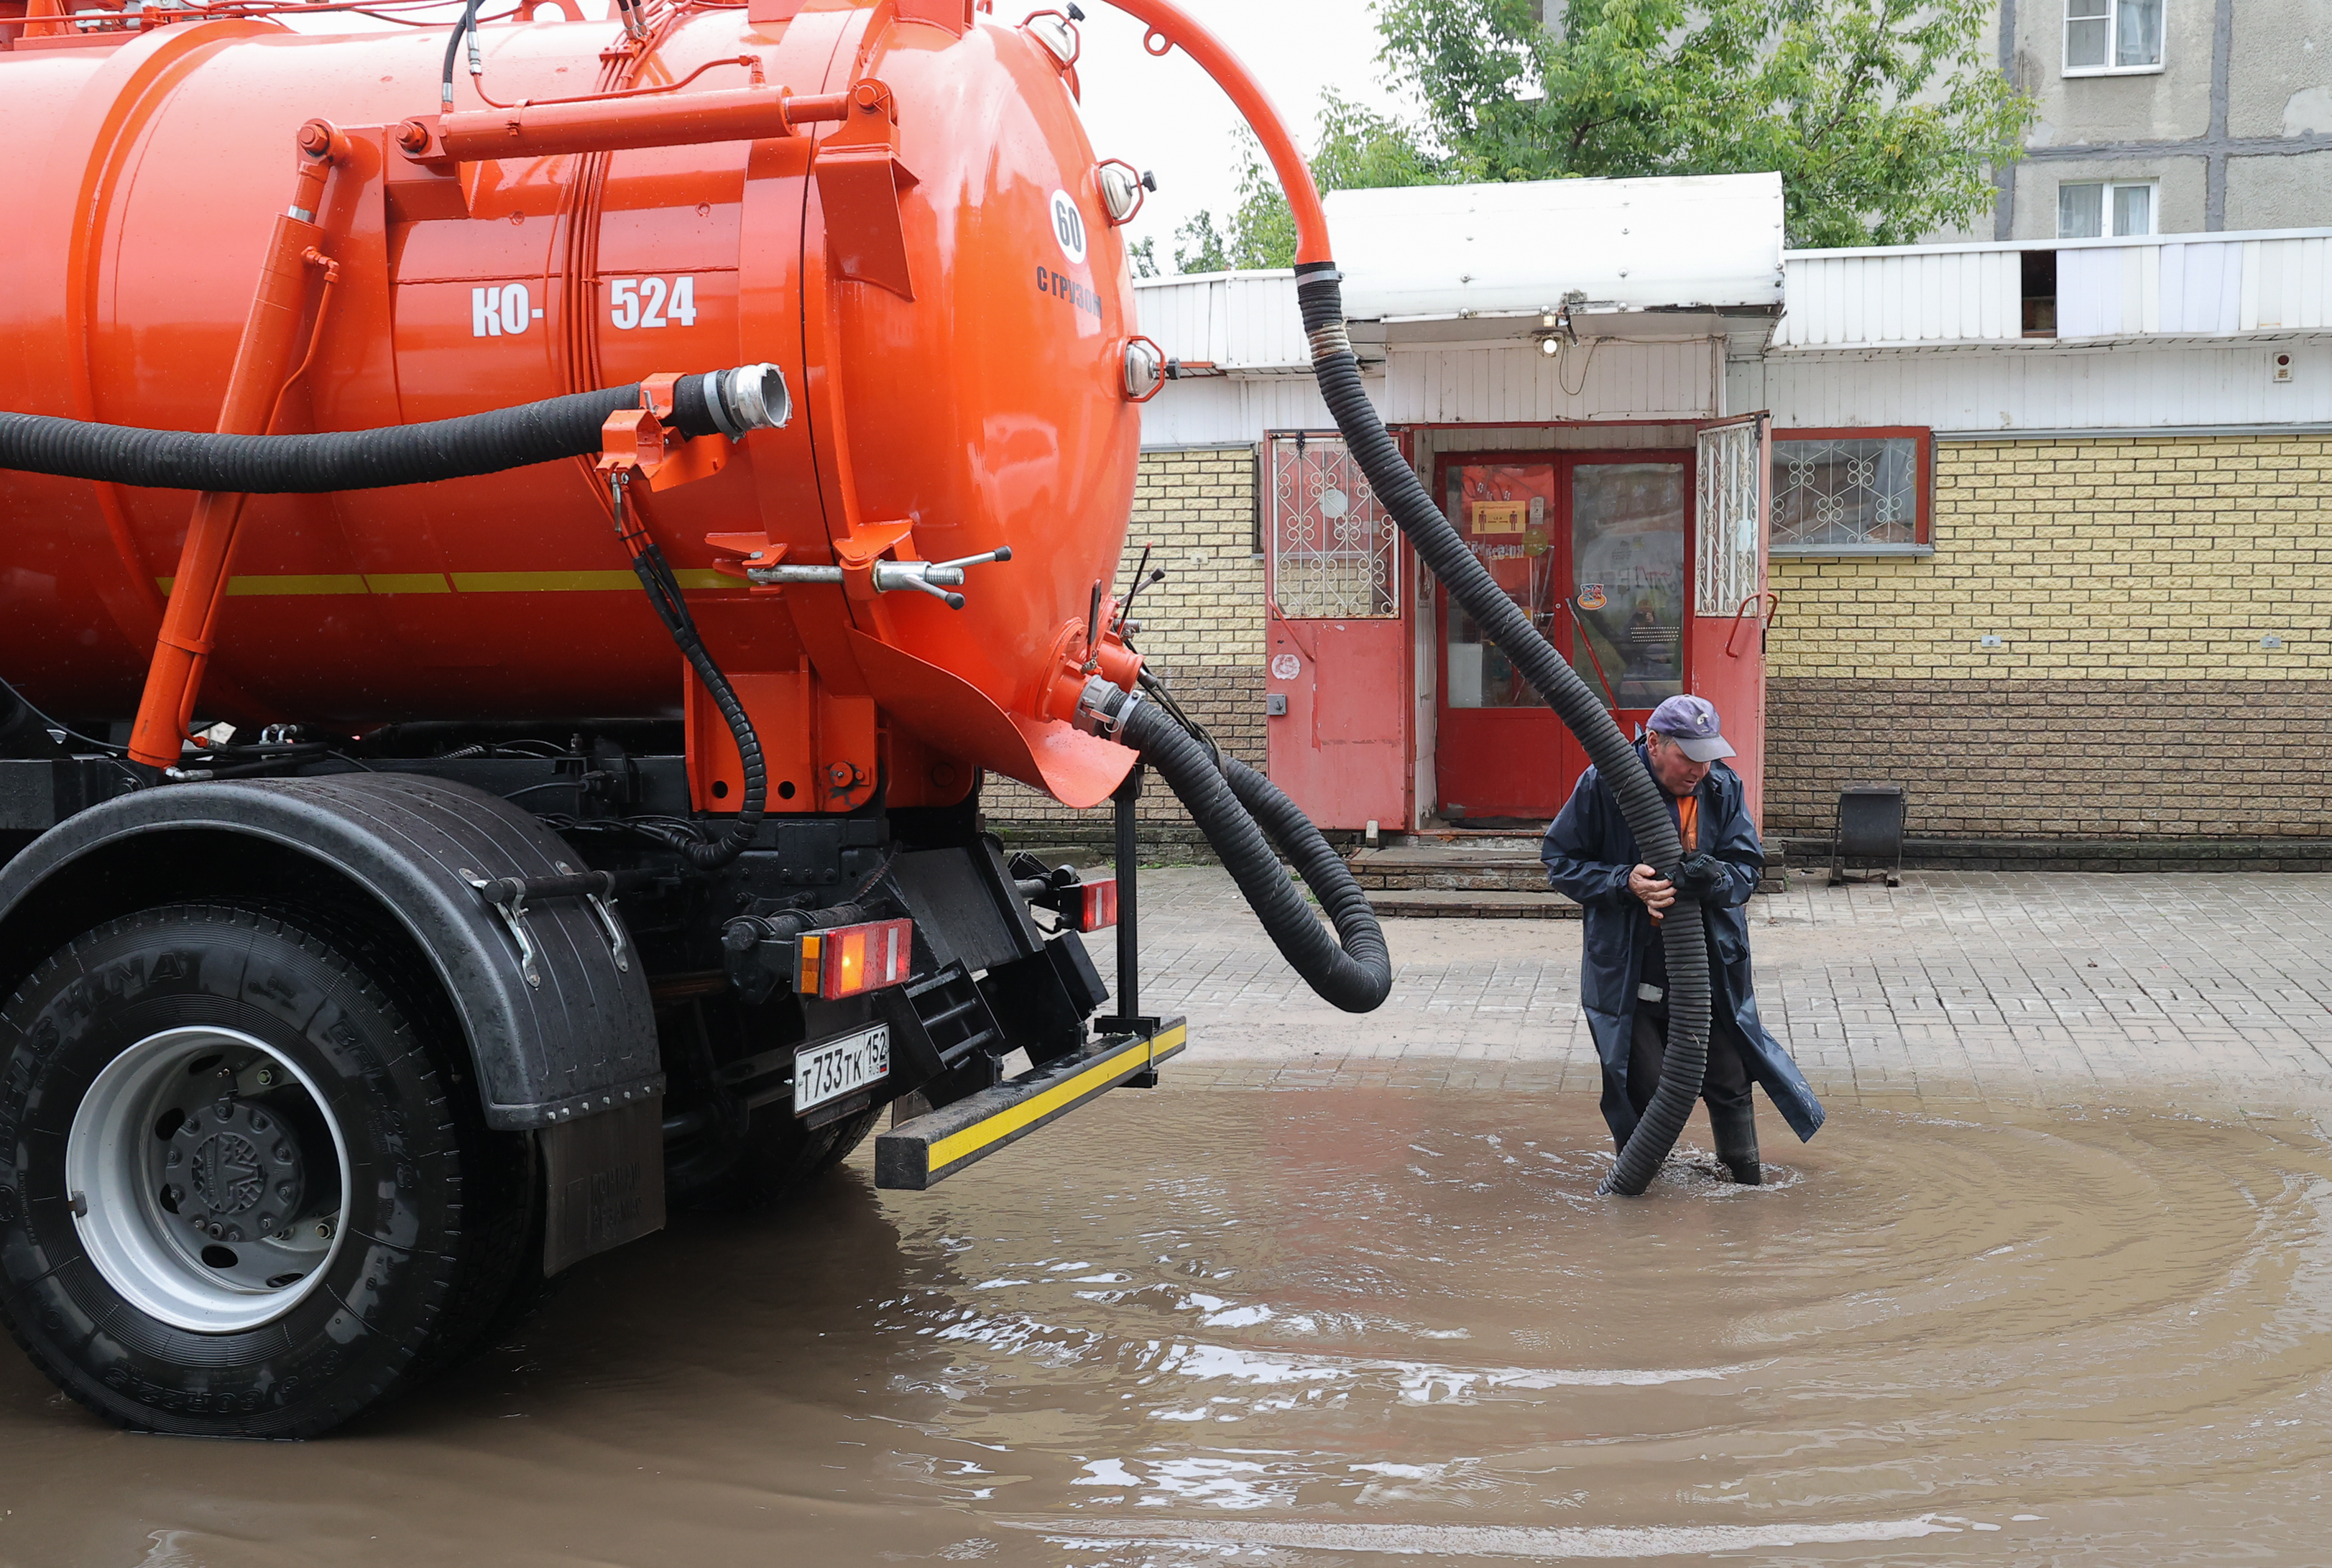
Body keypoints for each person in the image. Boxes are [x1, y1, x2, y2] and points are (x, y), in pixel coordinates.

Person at [1539, 695, 1823, 1184]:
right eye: (1687, 756)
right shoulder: (1604, 784)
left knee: (1730, 1077)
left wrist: (1715, 879)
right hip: (1633, 965)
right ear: (1652, 743)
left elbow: (1746, 869)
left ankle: (1743, 1181)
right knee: (1642, 1083)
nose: (1699, 769)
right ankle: (1638, 1187)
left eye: (1707, 755)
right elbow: (1560, 862)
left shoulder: (1719, 786)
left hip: (1706, 963)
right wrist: (1623, 882)